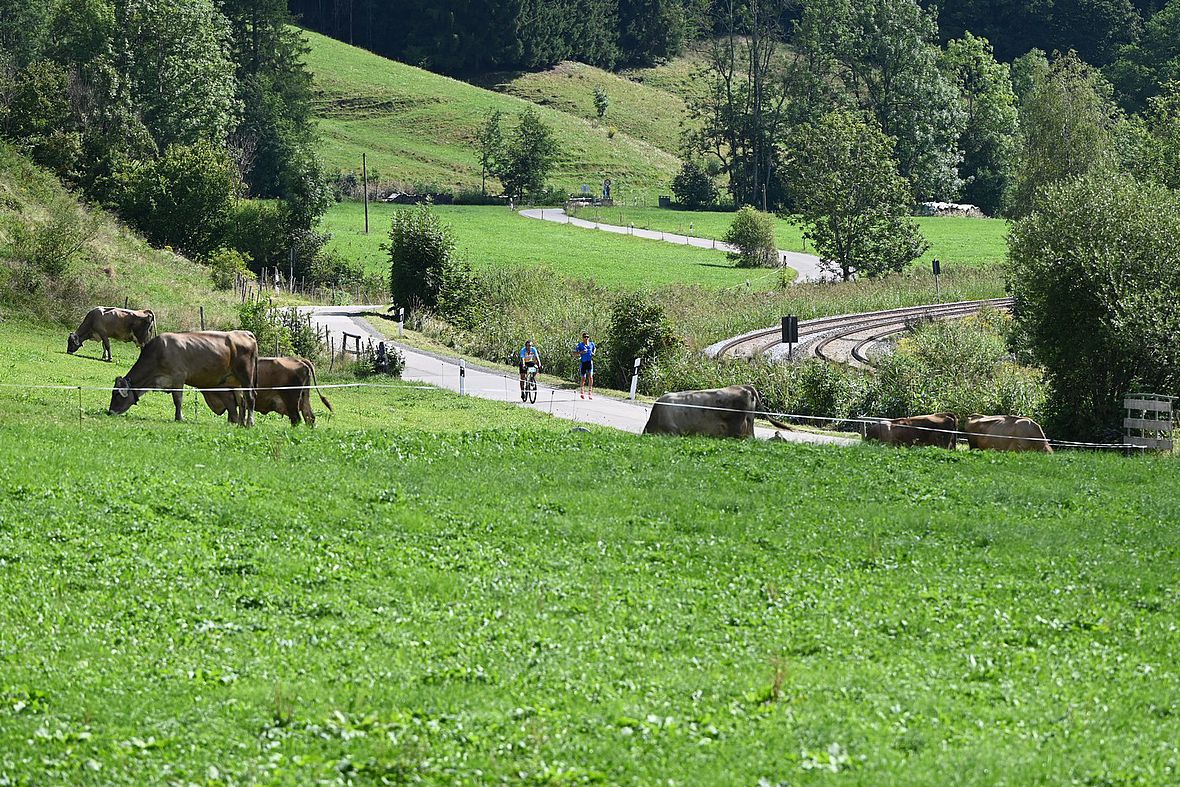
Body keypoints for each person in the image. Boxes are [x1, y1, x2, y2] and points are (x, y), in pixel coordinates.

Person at [573, 331, 596, 399]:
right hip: (583, 362)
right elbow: (574, 353)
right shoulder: (580, 345)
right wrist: (581, 352)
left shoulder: (591, 344)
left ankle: (590, 392)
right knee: (583, 378)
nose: (586, 338)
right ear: (582, 338)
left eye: (587, 337)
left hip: (589, 362)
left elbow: (594, 348)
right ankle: (582, 391)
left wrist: (593, 353)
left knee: (591, 377)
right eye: (585, 337)